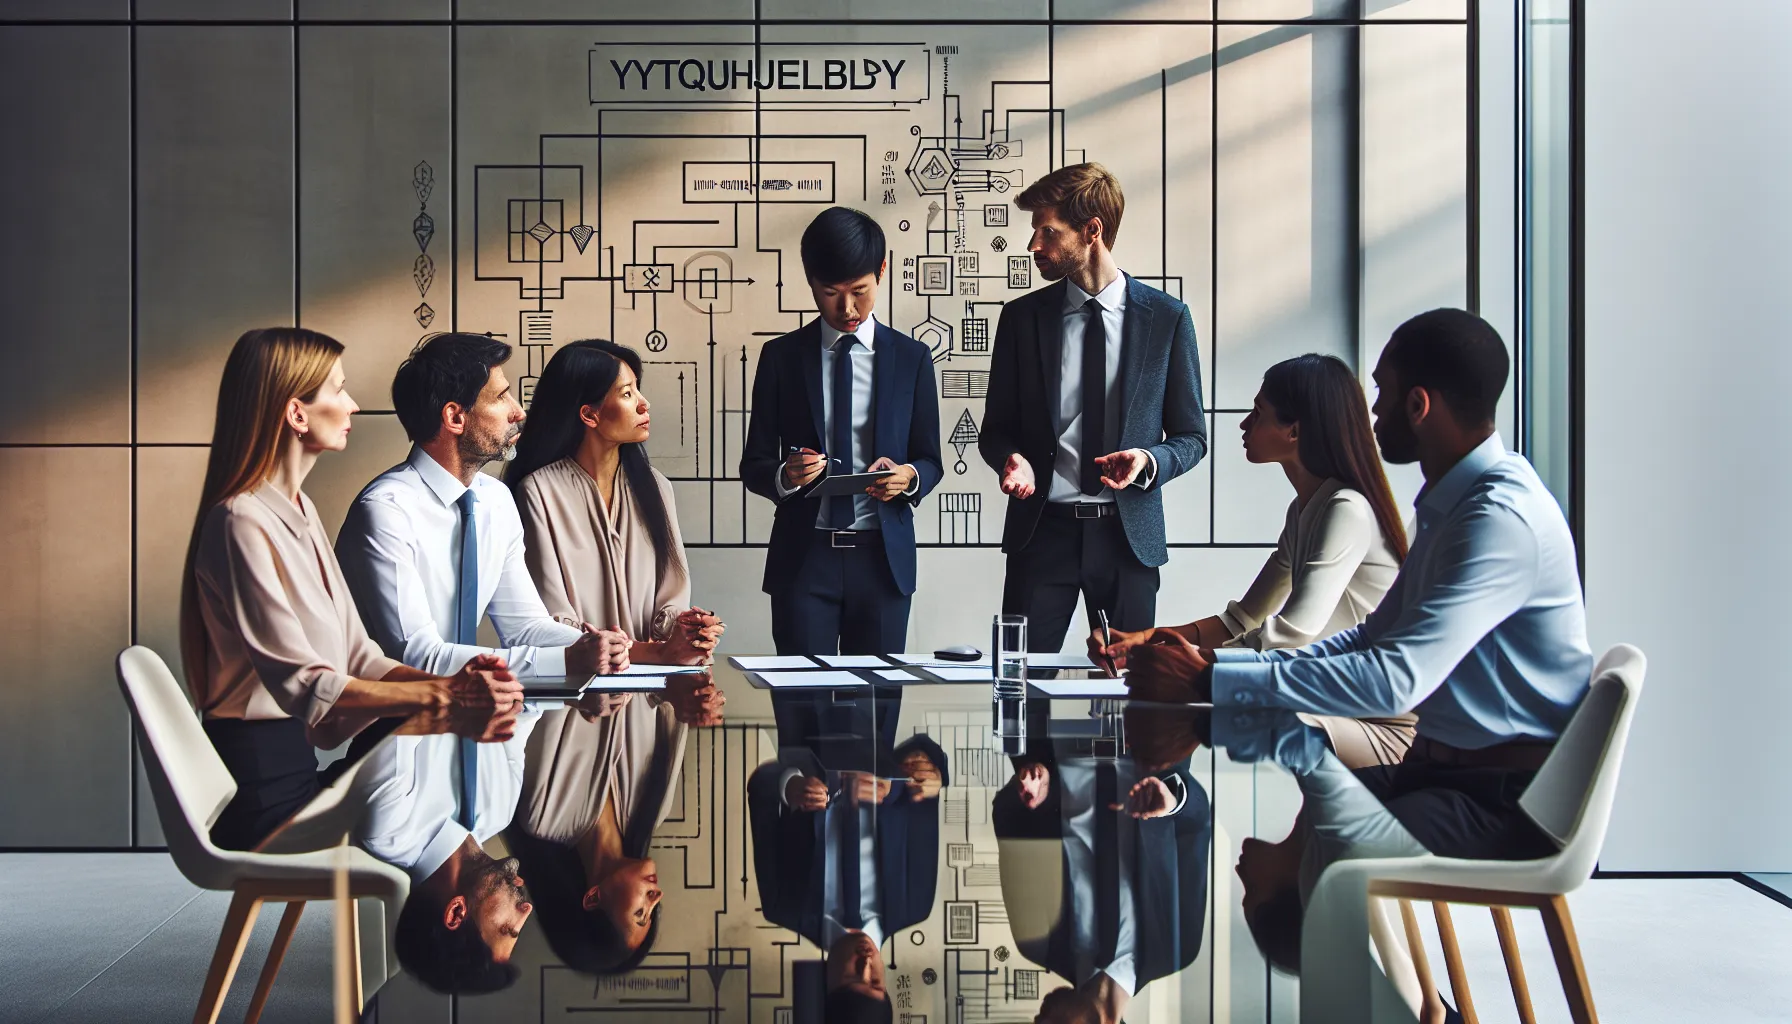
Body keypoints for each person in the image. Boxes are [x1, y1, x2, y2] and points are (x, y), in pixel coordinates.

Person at [1128, 308, 1595, 864]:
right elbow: (1369, 637)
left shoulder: (1497, 519)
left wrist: (1215, 682)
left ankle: (1292, 915)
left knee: (1313, 858)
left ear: (1418, 405)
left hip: (1503, 800)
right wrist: (1218, 676)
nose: (1370, 411)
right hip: (1448, 771)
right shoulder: (1456, 507)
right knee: (1295, 849)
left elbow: (1394, 680)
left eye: (1382, 393)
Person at [179, 327, 520, 851]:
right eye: (338, 391)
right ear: (297, 413)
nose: (354, 405)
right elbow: (303, 682)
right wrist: (444, 695)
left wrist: (452, 684)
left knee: (446, 793)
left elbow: (359, 655)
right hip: (265, 798)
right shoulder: (239, 521)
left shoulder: (300, 509)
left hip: (299, 770)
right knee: (429, 808)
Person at [1093, 353, 1415, 768]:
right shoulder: (1305, 510)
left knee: (1230, 714)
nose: (1244, 424)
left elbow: (1292, 636)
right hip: (1334, 697)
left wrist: (1190, 664)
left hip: (1378, 719)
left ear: (1294, 430)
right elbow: (1242, 620)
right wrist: (1147, 639)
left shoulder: (1345, 509)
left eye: (1258, 413)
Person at [979, 162, 1208, 653]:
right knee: (1019, 688)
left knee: (1125, 700)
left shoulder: (1166, 319)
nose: (1033, 246)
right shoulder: (1021, 320)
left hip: (1128, 541)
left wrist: (1148, 461)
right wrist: (1009, 459)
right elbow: (995, 430)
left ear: (1092, 231)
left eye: (1047, 231)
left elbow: (1193, 437)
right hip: (1042, 535)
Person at [337, 332, 629, 694]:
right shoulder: (385, 513)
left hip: (469, 716)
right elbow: (416, 657)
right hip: (393, 724)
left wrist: (591, 645)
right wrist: (566, 660)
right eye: (501, 396)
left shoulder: (495, 500)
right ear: (455, 417)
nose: (518, 411)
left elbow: (526, 627)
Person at [740, 206, 944, 655]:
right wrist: (784, 475)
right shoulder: (781, 358)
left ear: (882, 271)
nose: (847, 308)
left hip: (883, 559)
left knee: (876, 707)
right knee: (800, 707)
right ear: (810, 281)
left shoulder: (912, 359)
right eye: (830, 292)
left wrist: (909, 478)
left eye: (860, 291)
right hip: (804, 561)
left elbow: (930, 460)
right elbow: (753, 464)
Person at [505, 339, 725, 666]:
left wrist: (690, 629)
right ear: (589, 414)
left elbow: (671, 599)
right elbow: (549, 624)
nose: (643, 403)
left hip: (651, 693)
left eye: (638, 389)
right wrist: (656, 652)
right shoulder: (537, 492)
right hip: (576, 691)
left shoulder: (656, 488)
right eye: (627, 393)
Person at [993, 713, 1211, 1024]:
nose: (1038, 1022)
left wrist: (1032, 793)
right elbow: (1197, 825)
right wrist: (1173, 800)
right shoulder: (1178, 947)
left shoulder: (1036, 944)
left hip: (1054, 732)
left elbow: (1006, 820)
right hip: (1150, 730)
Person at [747, 690, 949, 1021]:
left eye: (853, 976)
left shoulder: (783, 905)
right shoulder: (916, 903)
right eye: (877, 981)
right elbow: (927, 776)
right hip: (877, 711)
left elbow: (759, 789)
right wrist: (900, 785)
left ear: (827, 983)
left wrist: (789, 786)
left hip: (802, 713)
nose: (867, 963)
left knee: (804, 643)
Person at [506, 683, 703, 975]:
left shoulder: (543, 814)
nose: (657, 896)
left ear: (593, 898)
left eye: (640, 913)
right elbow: (671, 693)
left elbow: (541, 686)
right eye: (652, 912)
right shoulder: (655, 810)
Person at [348, 709, 536, 994]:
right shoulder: (501, 811)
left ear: (456, 912)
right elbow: (524, 710)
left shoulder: (388, 827)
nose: (526, 910)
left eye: (507, 927)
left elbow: (404, 696)